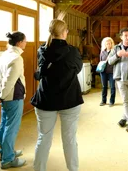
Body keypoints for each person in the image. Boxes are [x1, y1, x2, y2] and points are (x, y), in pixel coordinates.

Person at [31, 19, 83, 171]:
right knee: (70, 140)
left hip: (46, 99)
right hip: (70, 99)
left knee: (43, 138)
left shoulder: (42, 50)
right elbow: (78, 69)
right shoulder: (72, 51)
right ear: (64, 32)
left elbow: (40, 72)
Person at [0, 31, 27, 169]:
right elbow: (9, 81)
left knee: (4, 125)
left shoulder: (5, 54)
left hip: (5, 96)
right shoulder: (16, 58)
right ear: (19, 43)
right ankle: (8, 159)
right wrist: (2, 95)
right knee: (11, 128)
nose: (26, 43)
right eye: (25, 41)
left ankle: (6, 152)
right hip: (13, 97)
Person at [99, 37, 116, 107]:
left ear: (112, 44)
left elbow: (116, 61)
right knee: (104, 87)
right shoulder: (102, 52)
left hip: (112, 72)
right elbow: (100, 61)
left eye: (110, 43)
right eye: (107, 43)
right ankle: (103, 101)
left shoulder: (114, 52)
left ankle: (112, 101)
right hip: (103, 72)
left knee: (112, 87)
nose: (108, 44)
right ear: (105, 44)